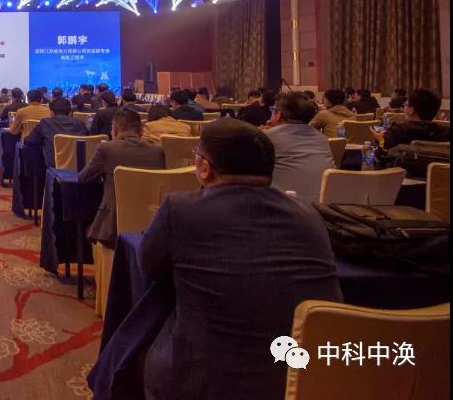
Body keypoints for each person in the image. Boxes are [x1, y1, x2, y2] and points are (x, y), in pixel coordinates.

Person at [138, 119, 342, 400]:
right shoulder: (308, 214)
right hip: (303, 381)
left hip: (203, 384)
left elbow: (148, 267)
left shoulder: (180, 209)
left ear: (204, 168)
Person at [79, 109, 165, 247]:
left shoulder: (106, 148)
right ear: (141, 131)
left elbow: (83, 178)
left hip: (112, 228)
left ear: (114, 129)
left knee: (86, 226)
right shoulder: (158, 151)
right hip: (152, 226)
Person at [264, 93, 335, 201]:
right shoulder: (322, 139)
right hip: (325, 205)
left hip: (286, 205)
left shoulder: (267, 137)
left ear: (278, 114)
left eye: (272, 110)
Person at [374, 88, 450, 150]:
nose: (404, 108)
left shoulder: (398, 131)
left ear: (411, 110)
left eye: (405, 105)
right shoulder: (446, 133)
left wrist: (379, 138)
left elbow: (379, 156)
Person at [24, 98, 89, 168]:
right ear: (70, 112)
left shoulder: (45, 123)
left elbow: (29, 141)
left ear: (51, 112)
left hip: (54, 168)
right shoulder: (80, 124)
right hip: (79, 168)